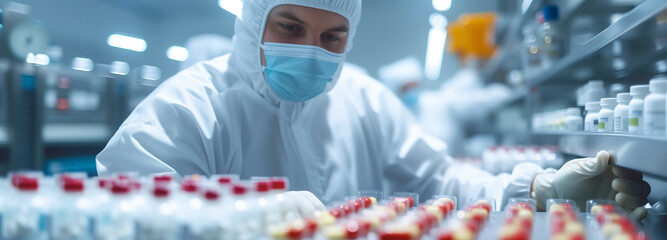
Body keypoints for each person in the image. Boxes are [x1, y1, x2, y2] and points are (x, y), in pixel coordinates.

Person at [96, 0, 650, 218]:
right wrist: (239, 220)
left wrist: (540, 192)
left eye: (332, 37)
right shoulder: (187, 108)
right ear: (252, 23)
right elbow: (126, 214)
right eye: (290, 27)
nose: (312, 48)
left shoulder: (363, 100)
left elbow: (442, 176)